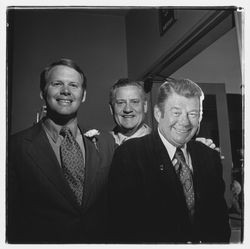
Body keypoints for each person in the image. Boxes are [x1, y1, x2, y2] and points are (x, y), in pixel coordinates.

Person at [108, 78, 231, 243]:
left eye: (193, 114)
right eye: (176, 112)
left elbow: (220, 223)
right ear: (158, 114)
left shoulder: (209, 156)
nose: (185, 121)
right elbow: (124, 229)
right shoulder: (129, 154)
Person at [7, 58, 115, 243]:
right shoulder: (15, 147)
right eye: (57, 84)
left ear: (83, 94)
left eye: (74, 85)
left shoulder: (105, 142)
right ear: (43, 92)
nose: (66, 91)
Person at [109, 78, 218, 149]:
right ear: (111, 108)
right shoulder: (98, 146)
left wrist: (196, 150)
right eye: (121, 102)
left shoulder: (169, 143)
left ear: (145, 106)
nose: (128, 109)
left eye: (135, 102)